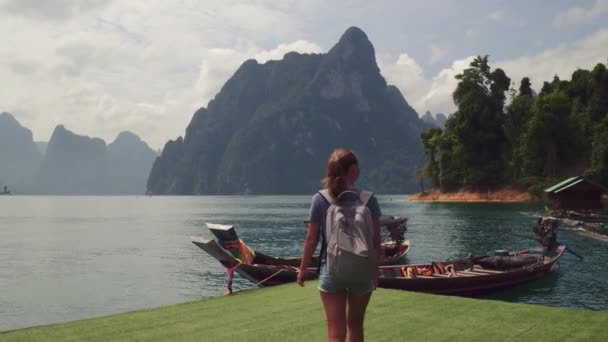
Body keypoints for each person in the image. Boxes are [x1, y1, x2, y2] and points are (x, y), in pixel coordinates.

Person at [298, 148, 382, 342]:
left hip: (332, 269)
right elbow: (376, 242)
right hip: (362, 271)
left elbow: (312, 239)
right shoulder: (369, 199)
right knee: (356, 327)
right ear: (353, 169)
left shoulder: (320, 199)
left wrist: (302, 269)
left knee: (335, 330)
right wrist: (375, 271)